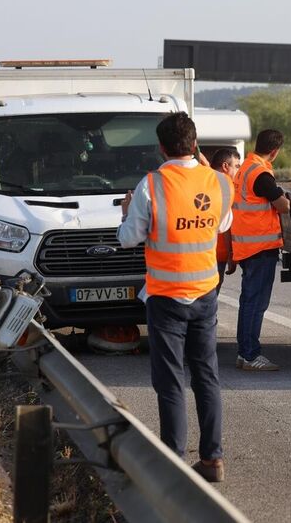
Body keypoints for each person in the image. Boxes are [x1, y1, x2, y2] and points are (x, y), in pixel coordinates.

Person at [117, 113, 233, 483]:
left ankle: (174, 462)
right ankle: (212, 459)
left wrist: (126, 213)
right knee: (206, 376)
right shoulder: (219, 182)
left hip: (166, 296)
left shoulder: (151, 185)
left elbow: (128, 238)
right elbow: (223, 224)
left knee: (170, 381)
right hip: (205, 293)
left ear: (161, 148)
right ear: (195, 145)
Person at [231, 130, 290, 371]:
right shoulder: (261, 174)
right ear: (274, 152)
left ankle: (244, 353)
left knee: (249, 301)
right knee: (255, 303)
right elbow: (283, 206)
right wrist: (285, 199)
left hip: (247, 247)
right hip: (260, 248)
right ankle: (250, 354)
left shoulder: (246, 167)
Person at [211, 148, 241, 292]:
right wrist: (231, 253)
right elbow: (225, 225)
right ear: (225, 166)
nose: (238, 171)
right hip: (217, 252)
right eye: (236, 166)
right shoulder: (226, 185)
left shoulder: (203, 181)